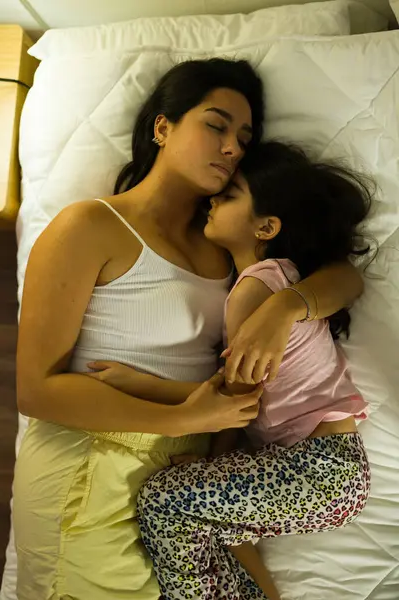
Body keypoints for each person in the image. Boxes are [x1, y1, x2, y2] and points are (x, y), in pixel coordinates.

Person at [13, 56, 363, 600]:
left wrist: (285, 309)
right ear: (162, 127)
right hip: (91, 466)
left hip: (188, 476)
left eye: (244, 138)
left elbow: (343, 277)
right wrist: (185, 416)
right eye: (216, 124)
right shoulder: (89, 226)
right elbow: (35, 390)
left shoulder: (232, 248)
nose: (232, 148)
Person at [92, 141, 372, 599]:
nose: (213, 200)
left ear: (266, 225)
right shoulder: (278, 279)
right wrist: (214, 468)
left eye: (230, 195)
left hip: (320, 471)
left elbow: (233, 405)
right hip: (325, 470)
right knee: (211, 518)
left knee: (165, 503)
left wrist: (137, 384)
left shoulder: (255, 289)